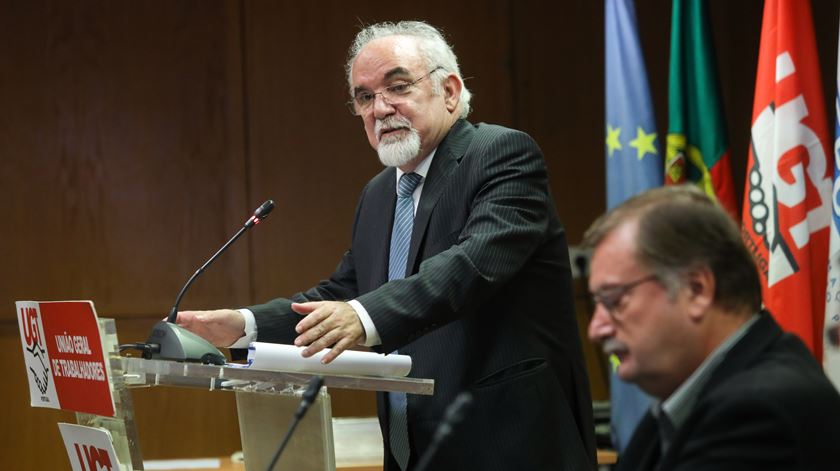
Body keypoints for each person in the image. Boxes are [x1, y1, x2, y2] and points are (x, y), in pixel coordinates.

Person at [176, 20, 596, 471]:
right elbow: (345, 293)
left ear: (450, 91)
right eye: (364, 96)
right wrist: (245, 325)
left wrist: (362, 316)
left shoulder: (501, 154)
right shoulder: (379, 194)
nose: (380, 108)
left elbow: (471, 266)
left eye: (397, 87)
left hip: (508, 445)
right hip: (415, 448)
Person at [585, 185, 840, 471]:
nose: (596, 330)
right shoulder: (684, 402)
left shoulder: (757, 412)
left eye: (614, 300)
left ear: (697, 290)